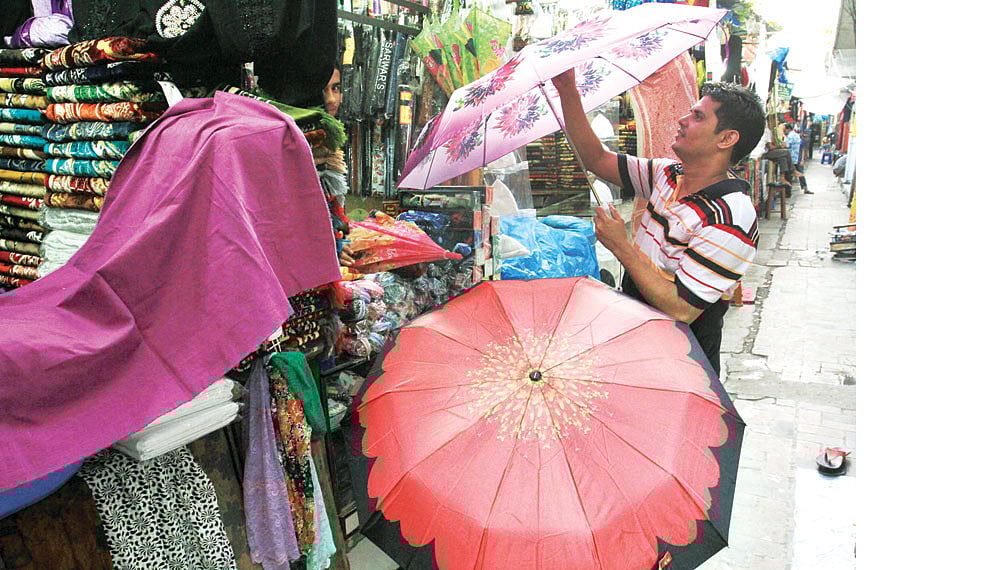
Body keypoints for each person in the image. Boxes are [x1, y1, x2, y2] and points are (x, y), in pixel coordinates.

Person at [552, 69, 765, 375]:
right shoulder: (667, 174)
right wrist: (568, 91)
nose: (683, 120)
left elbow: (681, 308)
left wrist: (621, 246)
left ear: (727, 139)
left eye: (698, 117)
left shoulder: (731, 217)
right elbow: (596, 159)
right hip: (637, 326)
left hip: (681, 352)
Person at [782, 122, 811, 194]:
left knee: (790, 174)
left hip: (793, 158)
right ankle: (805, 188)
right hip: (797, 157)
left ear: (788, 129)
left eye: (785, 130)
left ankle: (788, 191)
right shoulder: (796, 135)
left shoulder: (790, 136)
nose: (784, 132)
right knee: (799, 173)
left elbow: (786, 145)